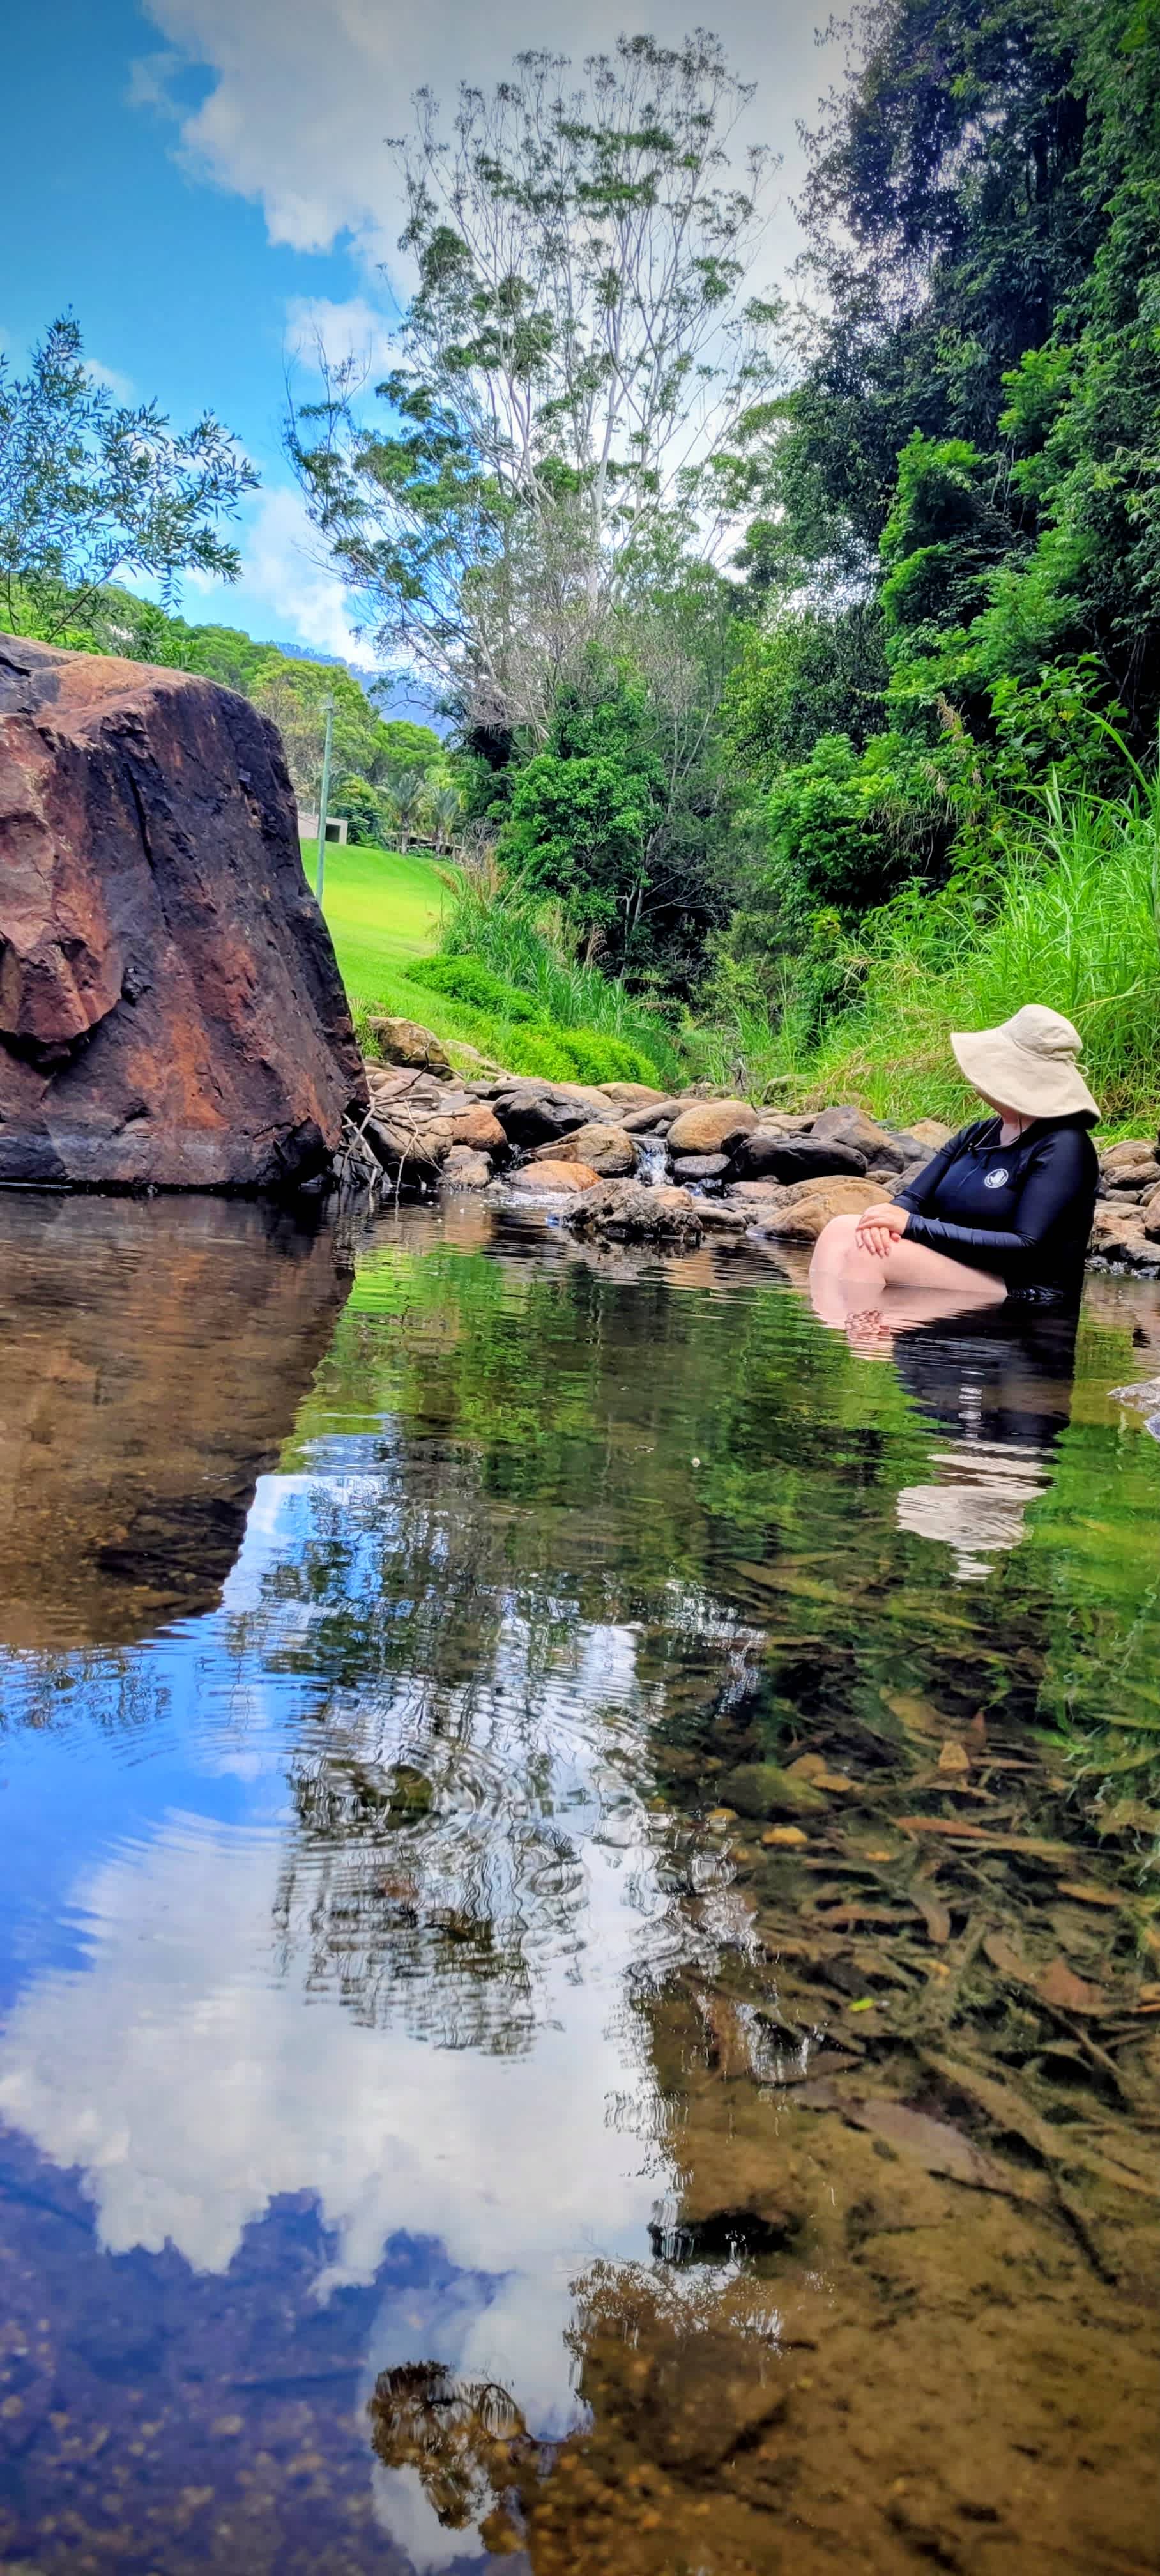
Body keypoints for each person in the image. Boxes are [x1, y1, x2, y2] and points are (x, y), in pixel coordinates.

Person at [809, 1003, 1101, 1327]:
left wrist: (910, 1227)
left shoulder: (1064, 1146)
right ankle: (842, 1339)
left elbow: (1025, 1246)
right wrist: (884, 1220)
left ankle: (873, 1336)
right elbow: (914, 1200)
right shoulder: (979, 1133)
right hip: (961, 1265)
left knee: (870, 1254)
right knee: (841, 1230)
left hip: (1026, 1293)